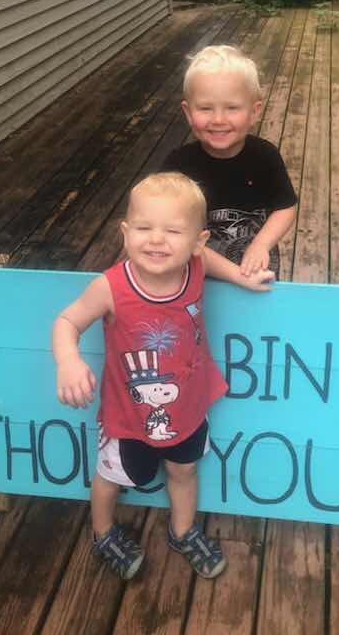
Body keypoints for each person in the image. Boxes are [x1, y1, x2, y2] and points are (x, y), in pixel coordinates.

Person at [52, 172, 273, 582]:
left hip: (188, 407)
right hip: (128, 417)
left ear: (198, 241)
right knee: (111, 478)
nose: (156, 239)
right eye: (143, 228)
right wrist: (68, 361)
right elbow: (67, 321)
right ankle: (102, 532)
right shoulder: (110, 287)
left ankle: (183, 531)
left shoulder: (195, 266)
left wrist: (240, 275)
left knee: (184, 471)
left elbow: (209, 261)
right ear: (125, 232)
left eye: (172, 231)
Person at [162, 45, 297, 279]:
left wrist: (261, 244)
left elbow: (285, 207)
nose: (218, 119)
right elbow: (159, 221)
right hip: (195, 274)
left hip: (254, 268)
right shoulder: (178, 166)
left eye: (232, 108)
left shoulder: (265, 156)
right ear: (188, 112)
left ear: (254, 112)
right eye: (205, 108)